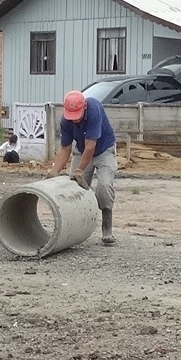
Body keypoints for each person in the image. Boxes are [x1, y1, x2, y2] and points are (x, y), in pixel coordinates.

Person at [50, 88, 119, 245]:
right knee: (74, 189)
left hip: (104, 151)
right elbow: (65, 148)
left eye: (77, 116)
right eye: (71, 116)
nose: (74, 120)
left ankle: (107, 227)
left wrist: (79, 171)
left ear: (84, 107)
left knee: (104, 186)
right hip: (81, 151)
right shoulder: (66, 120)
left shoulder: (94, 109)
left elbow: (91, 146)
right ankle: (74, 230)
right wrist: (54, 171)